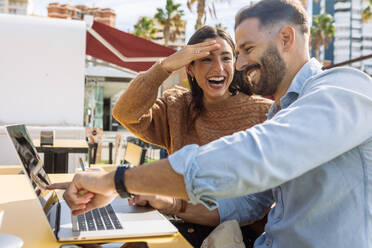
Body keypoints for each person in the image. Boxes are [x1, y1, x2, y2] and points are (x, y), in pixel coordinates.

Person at [54, 0, 372, 247]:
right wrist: (171, 203)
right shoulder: (280, 111)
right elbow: (247, 201)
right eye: (238, 52)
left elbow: (253, 158)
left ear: (286, 38)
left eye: (244, 50)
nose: (240, 63)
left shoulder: (343, 90)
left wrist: (118, 180)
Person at [113, 25, 272, 246]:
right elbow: (125, 114)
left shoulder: (263, 112)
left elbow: (253, 204)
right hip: (176, 222)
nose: (218, 68)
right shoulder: (177, 105)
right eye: (207, 59)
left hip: (234, 235)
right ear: (190, 69)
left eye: (226, 58)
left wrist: (171, 203)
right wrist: (165, 66)